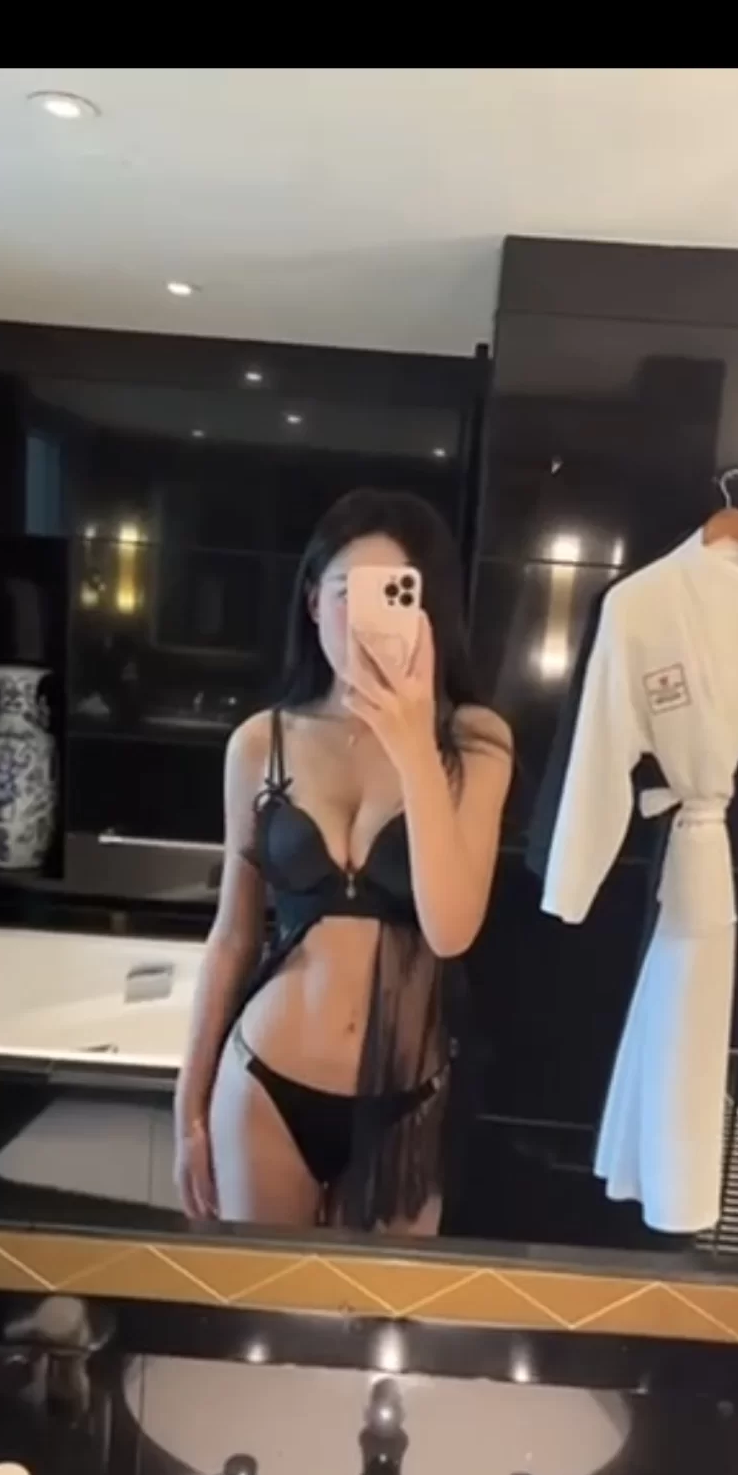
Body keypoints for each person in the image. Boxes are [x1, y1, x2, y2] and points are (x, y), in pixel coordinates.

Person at [173, 488, 513, 1234]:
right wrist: (188, 1101)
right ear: (312, 603)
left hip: (408, 1100)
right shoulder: (260, 743)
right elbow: (233, 936)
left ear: (426, 614)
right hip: (263, 1084)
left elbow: (453, 928)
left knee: (379, 1309)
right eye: (345, 594)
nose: (363, 621)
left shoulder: (475, 742)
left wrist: (413, 741)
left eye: (391, 597)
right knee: (263, 1304)